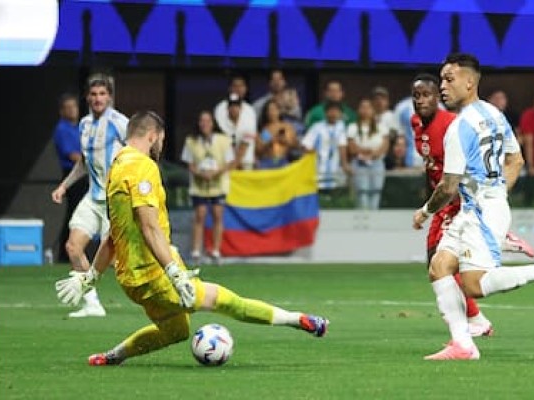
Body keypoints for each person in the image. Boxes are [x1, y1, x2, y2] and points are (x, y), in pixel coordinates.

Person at [52, 111, 329, 367]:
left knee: (177, 331)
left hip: (131, 282)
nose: (161, 144)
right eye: (161, 139)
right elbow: (149, 228)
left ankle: (111, 357)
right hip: (154, 275)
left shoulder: (116, 167)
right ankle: (299, 320)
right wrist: (175, 274)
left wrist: (91, 277)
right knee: (227, 302)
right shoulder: (142, 167)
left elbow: (114, 234)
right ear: (152, 135)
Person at [414, 53, 534, 360]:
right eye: (441, 79)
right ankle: (463, 345)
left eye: (449, 79)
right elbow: (516, 160)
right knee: (440, 266)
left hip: (479, 212)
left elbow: (448, 186)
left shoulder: (457, 128)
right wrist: (496, 193)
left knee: (474, 285)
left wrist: (425, 211)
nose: (443, 86)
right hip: (480, 208)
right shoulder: (494, 114)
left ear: (470, 82)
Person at [409, 73, 534, 338]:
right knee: (440, 264)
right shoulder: (417, 123)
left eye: (427, 95)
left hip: (457, 198)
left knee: (442, 263)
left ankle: (476, 319)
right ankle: (473, 322)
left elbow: (460, 171)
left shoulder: (451, 125)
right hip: (443, 197)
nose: (421, 101)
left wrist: (472, 203)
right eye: (416, 96)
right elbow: (431, 167)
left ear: (438, 98)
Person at [50, 73, 129, 318]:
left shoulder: (120, 122)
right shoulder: (84, 125)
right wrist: (64, 186)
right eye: (93, 94)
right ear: (87, 97)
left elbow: (138, 153)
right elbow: (84, 162)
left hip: (115, 200)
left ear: (110, 97)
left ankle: (172, 284)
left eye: (102, 94)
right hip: (92, 198)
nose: (98, 98)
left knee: (123, 264)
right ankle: (92, 303)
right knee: (73, 247)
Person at [180, 111, 233, 266]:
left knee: (217, 214)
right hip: (199, 184)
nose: (205, 124)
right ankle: (196, 252)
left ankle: (215, 250)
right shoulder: (191, 141)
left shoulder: (224, 141)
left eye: (208, 120)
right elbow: (189, 163)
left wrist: (215, 173)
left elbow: (229, 162)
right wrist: (200, 173)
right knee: (200, 215)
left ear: (213, 123)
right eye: (202, 121)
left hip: (218, 183)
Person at [51, 93, 87, 261]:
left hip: (86, 174)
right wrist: (94, 161)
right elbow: (73, 155)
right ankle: (66, 253)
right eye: (69, 107)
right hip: (73, 175)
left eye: (75, 106)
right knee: (75, 214)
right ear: (62, 111)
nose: (73, 110)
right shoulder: (62, 129)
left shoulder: (81, 127)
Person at [301, 101, 352, 200]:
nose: (333, 114)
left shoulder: (341, 127)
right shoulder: (317, 127)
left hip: (335, 170)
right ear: (325, 113)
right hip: (319, 169)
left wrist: (345, 164)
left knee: (335, 200)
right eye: (331, 111)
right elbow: (305, 145)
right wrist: (311, 151)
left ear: (340, 114)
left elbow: (342, 146)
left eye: (336, 111)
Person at [346, 97, 390, 210]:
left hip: (377, 162)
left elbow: (385, 145)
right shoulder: (352, 127)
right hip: (359, 162)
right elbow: (351, 147)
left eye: (368, 107)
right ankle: (362, 219)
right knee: (362, 192)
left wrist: (373, 154)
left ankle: (374, 218)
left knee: (376, 191)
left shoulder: (381, 127)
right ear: (358, 110)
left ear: (373, 110)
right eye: (362, 107)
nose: (365, 110)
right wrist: (364, 152)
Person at [214, 75, 258, 169]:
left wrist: (238, 161)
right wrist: (232, 163)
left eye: (241, 86)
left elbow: (248, 138)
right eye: (235, 86)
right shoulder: (220, 109)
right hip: (224, 162)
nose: (238, 89)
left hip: (246, 162)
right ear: (230, 88)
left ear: (245, 89)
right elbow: (223, 136)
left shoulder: (250, 111)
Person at [255, 99, 301, 169]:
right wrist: (269, 142)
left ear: (279, 111)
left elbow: (295, 145)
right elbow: (258, 150)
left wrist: (286, 141)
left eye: (274, 109)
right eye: (269, 110)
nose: (272, 112)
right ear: (266, 113)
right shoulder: (264, 129)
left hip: (283, 160)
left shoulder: (286, 127)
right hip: (267, 162)